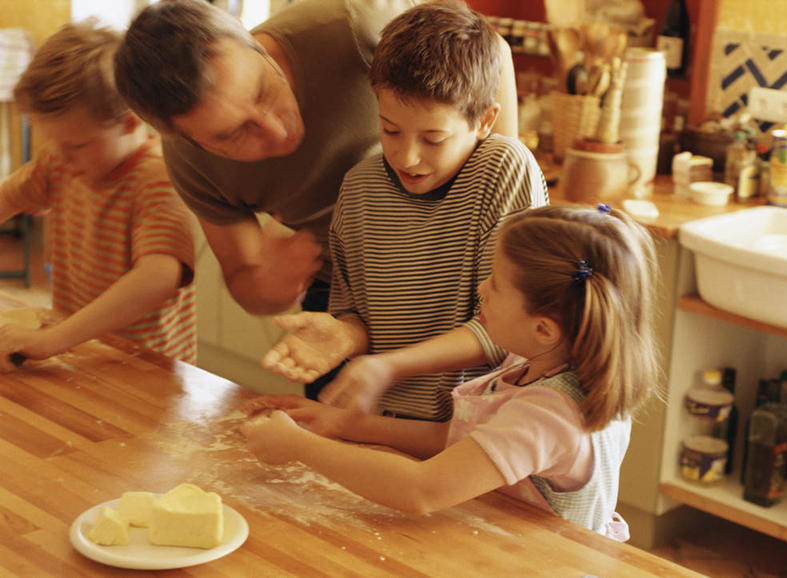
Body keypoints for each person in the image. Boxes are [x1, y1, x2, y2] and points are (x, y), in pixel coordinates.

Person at [240, 204, 660, 539]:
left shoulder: (551, 415)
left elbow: (422, 489)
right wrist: (348, 425)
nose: (481, 289)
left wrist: (298, 447)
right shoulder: (548, 360)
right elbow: (469, 447)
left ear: (544, 328)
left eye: (495, 283)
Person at [114, 0, 519, 319]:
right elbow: (245, 283)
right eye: (233, 134)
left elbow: (490, 54)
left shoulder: (354, 24)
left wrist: (496, 190)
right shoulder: (190, 163)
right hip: (341, 296)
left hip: (457, 273)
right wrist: (269, 285)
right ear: (185, 139)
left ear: (251, 39)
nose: (277, 130)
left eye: (262, 90)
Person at [261, 1, 547, 419]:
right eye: (390, 130)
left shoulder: (504, 169)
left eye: (433, 139)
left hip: (478, 433)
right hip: (383, 422)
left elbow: (513, 330)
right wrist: (344, 334)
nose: (407, 157)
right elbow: (361, 319)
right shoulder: (360, 188)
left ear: (485, 121)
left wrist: (389, 366)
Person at [0, 21, 197, 369]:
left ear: (131, 121)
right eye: (53, 143)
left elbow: (158, 278)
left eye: (76, 145)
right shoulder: (62, 161)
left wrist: (51, 340)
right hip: (80, 350)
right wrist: (58, 341)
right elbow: (7, 198)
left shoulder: (160, 179)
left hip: (145, 368)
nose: (61, 156)